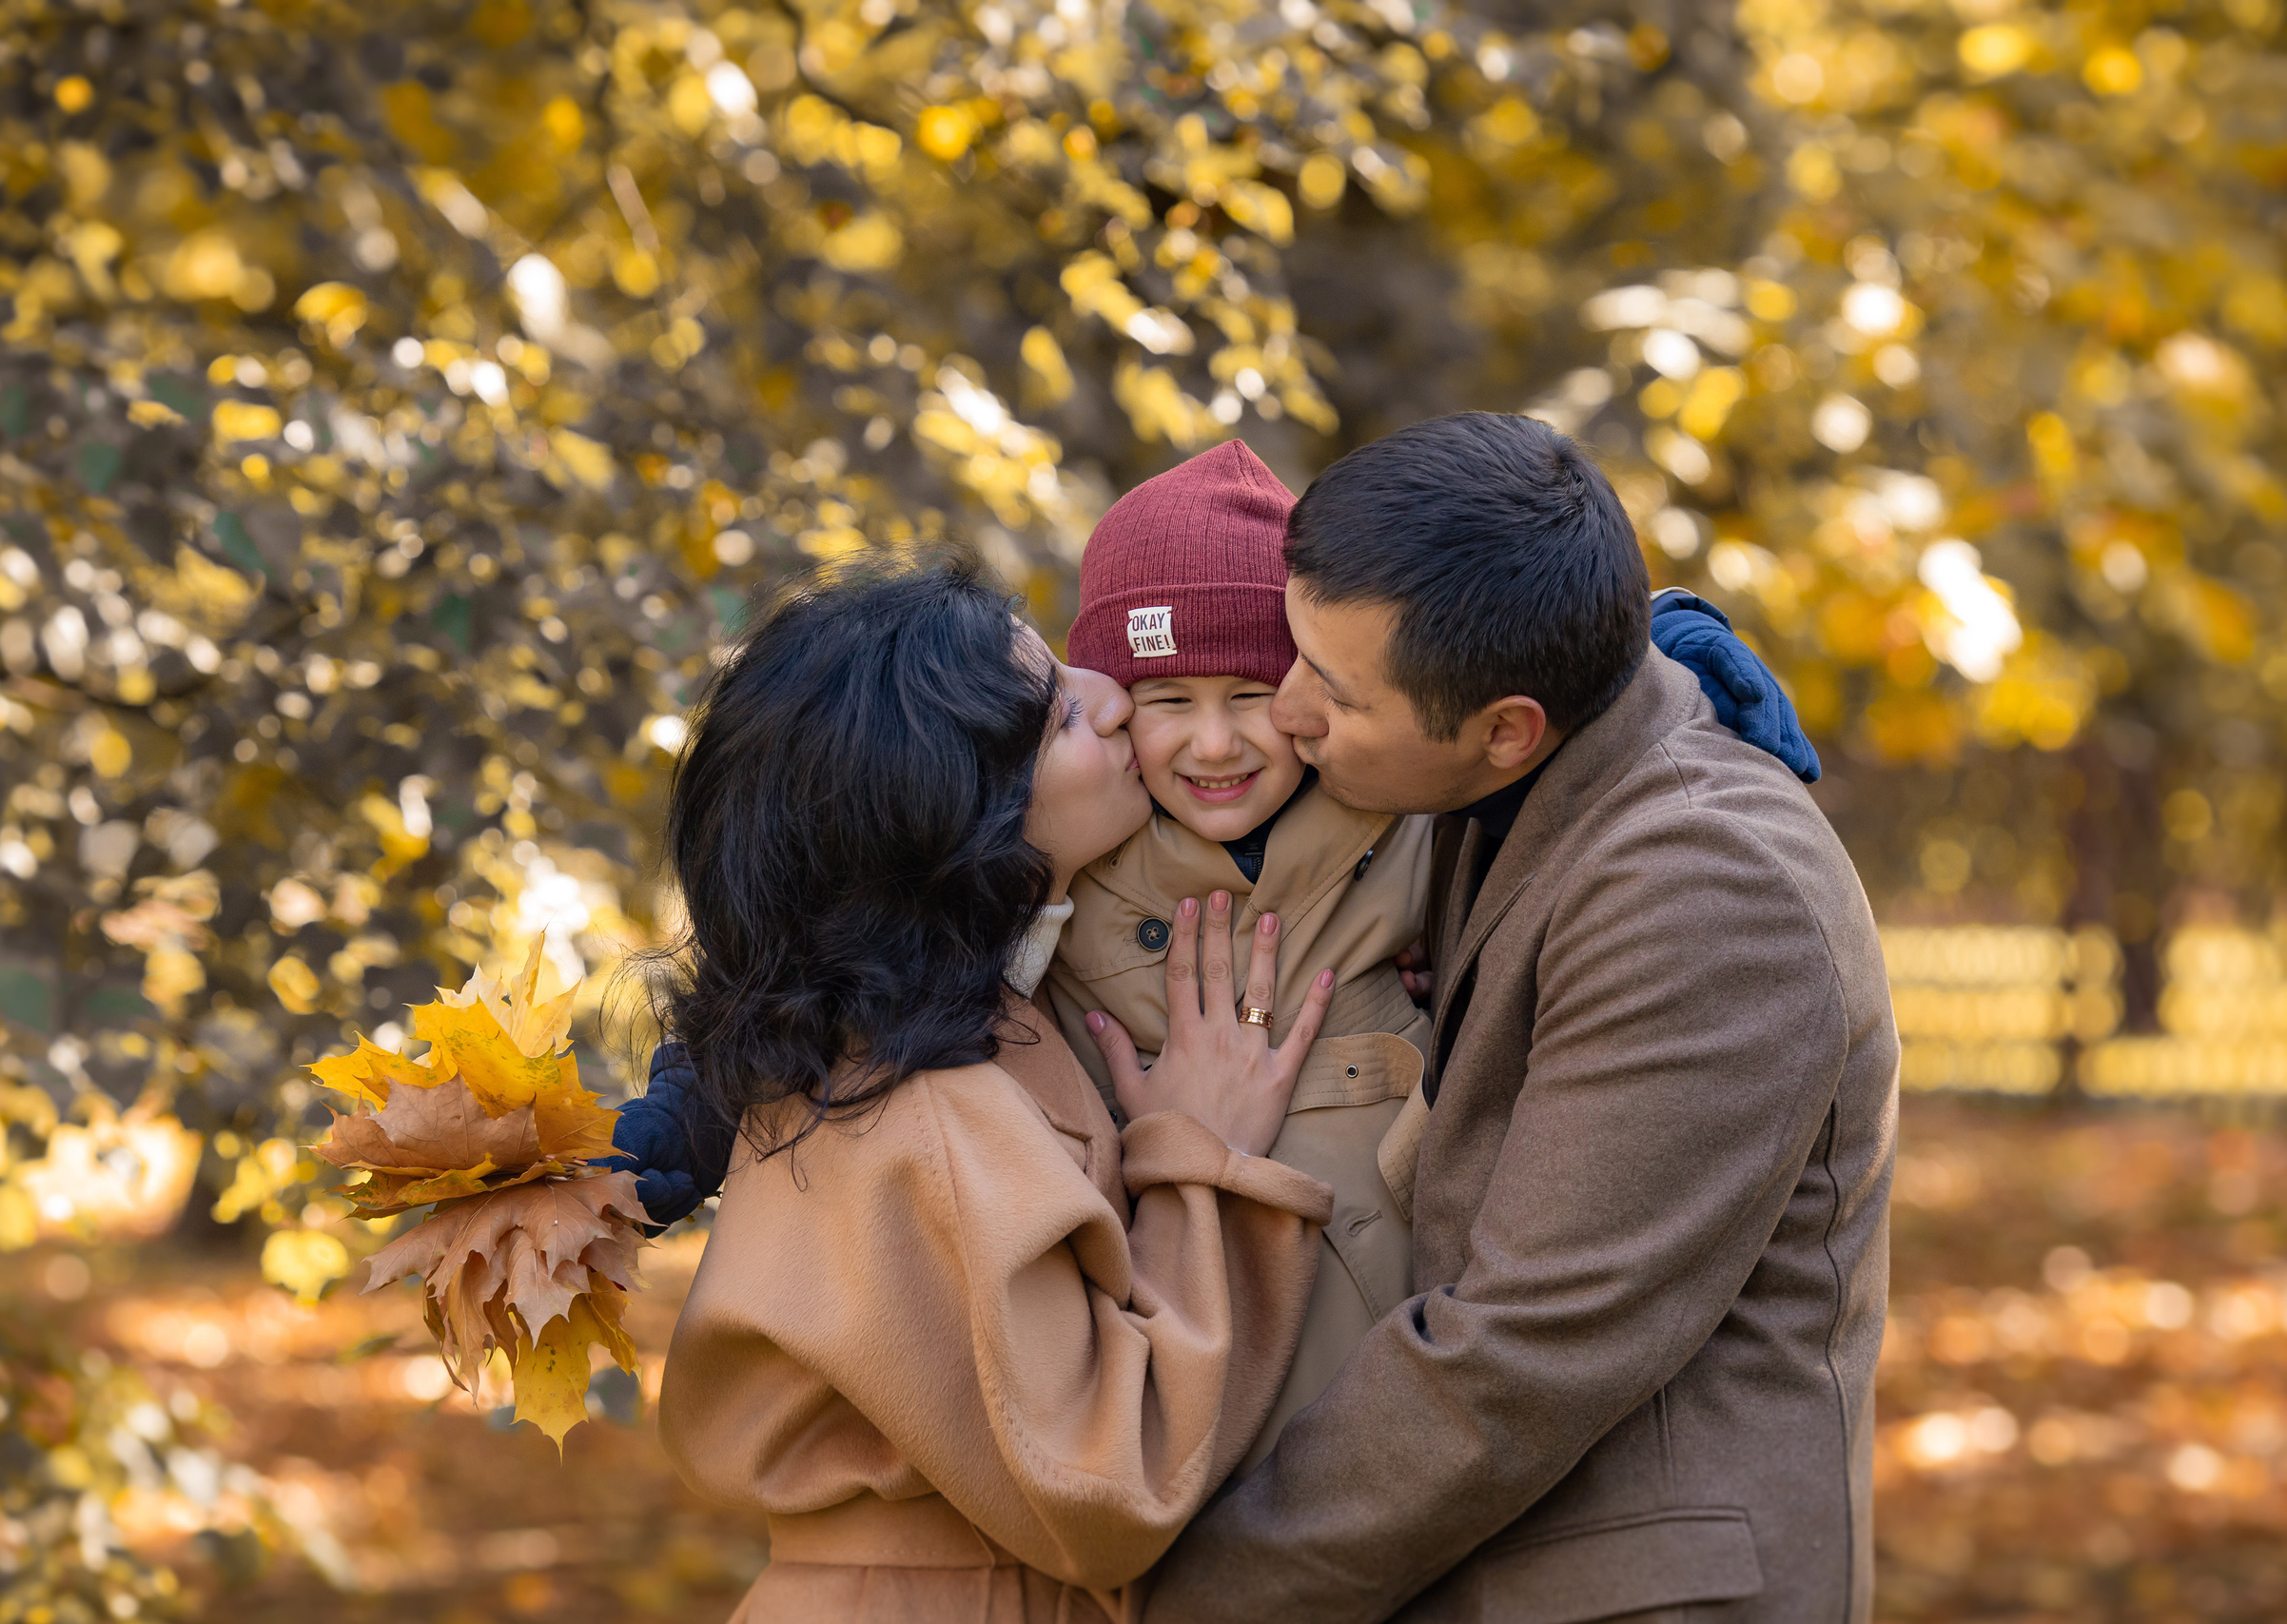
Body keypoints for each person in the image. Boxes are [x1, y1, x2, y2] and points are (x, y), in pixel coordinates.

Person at [1142, 412, 1897, 1624]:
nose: (1284, 712)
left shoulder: (1707, 890)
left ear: (1506, 731)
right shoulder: (1506, 771)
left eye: (1329, 693)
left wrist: (1189, 1601)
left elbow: (1520, 1355)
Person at [646, 555, 1343, 1624]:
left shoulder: (918, 1047)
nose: (1113, 699)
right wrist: (1201, 1160)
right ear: (951, 820)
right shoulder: (921, 1114)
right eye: (1059, 715)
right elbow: (1107, 1489)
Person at [1039, 440, 1436, 1472]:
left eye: (1250, 692)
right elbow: (859, 954)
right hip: (1177, 1416)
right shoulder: (1066, 874)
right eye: (1168, 701)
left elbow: (1533, 692)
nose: (1213, 746)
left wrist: (1681, 638)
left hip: (1400, 1400)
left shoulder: (1412, 824)